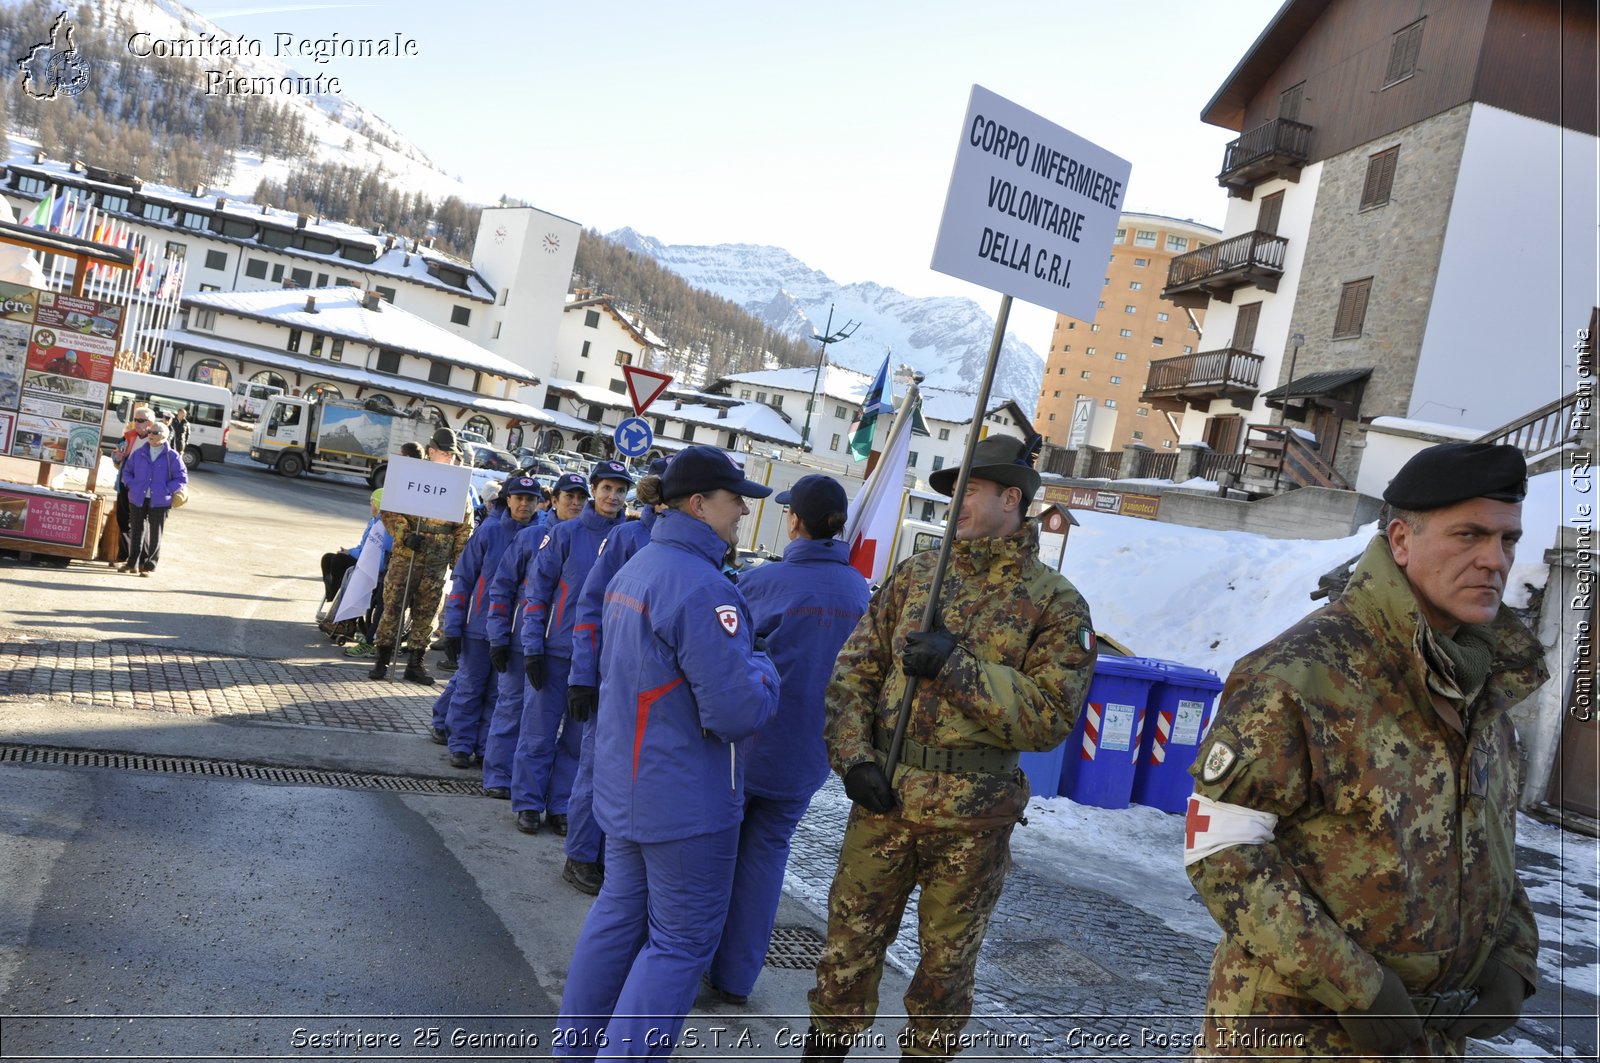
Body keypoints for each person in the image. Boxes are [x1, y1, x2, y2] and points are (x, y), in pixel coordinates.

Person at [1183, 442, 1548, 1059]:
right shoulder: (1303, 672)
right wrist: (1355, 986)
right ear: (1401, 540)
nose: (1495, 560)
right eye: (1469, 535)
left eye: (1508, 540)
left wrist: (1514, 952)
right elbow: (1221, 850)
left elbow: (1487, 842)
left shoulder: (1480, 685)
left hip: (1429, 1040)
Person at [804, 434, 1097, 1062]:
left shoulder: (1054, 602)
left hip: (973, 820)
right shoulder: (917, 577)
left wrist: (958, 669)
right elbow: (853, 671)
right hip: (884, 798)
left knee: (943, 977)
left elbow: (1050, 717)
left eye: (970, 491)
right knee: (845, 955)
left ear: (1011, 499)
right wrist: (854, 758)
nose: (954, 504)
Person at [554, 445, 779, 1062]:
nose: (742, 514)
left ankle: (573, 1052)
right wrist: (765, 669)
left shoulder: (643, 563)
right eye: (736, 502)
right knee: (680, 943)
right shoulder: (704, 588)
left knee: (618, 919)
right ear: (700, 505)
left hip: (629, 787)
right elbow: (735, 711)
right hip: (686, 801)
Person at [706, 473, 870, 1005]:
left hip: (748, 746)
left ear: (795, 520)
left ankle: (689, 963)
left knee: (714, 855)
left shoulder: (763, 582)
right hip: (810, 755)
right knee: (767, 858)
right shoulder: (859, 591)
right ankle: (736, 978)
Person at [562, 457, 669, 894]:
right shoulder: (627, 536)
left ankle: (613, 858)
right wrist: (582, 675)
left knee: (635, 777)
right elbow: (590, 608)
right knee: (595, 768)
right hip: (611, 679)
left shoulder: (689, 545)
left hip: (652, 688)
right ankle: (581, 855)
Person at [512, 459, 632, 835]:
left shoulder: (628, 538)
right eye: (607, 488)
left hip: (597, 660)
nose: (613, 497)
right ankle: (529, 802)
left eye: (620, 490)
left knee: (579, 742)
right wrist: (532, 647)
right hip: (555, 651)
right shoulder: (565, 534)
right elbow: (536, 594)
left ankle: (562, 804)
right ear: (595, 490)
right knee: (538, 731)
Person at [481, 472, 589, 798]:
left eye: (581, 497)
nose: (574, 502)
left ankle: (543, 792)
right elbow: (501, 588)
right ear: (553, 500)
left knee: (551, 727)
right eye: (568, 496)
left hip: (559, 647)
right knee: (512, 709)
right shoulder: (530, 537)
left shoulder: (590, 541)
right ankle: (499, 777)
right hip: (520, 642)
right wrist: (499, 636)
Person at [440, 475, 544, 770]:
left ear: (539, 502)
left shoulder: (541, 537)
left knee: (499, 695)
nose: (524, 504)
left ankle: (487, 745)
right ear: (507, 500)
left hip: (513, 634)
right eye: (519, 498)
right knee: (470, 688)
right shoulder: (489, 531)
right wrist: (453, 626)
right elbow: (463, 580)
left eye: (530, 499)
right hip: (478, 627)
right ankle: (460, 743)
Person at [369, 427, 474, 684]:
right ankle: (382, 659)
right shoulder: (409, 474)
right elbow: (390, 509)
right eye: (446, 453)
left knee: (426, 611)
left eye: (452, 455)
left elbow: (465, 525)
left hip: (437, 559)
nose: (450, 459)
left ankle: (415, 663)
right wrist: (404, 534)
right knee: (393, 605)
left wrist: (458, 561)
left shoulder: (457, 484)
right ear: (431, 451)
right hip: (408, 554)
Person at [119, 419, 188, 578]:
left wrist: (167, 490)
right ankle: (132, 563)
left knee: (155, 533)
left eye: (155, 432)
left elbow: (182, 478)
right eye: (150, 431)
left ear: (164, 436)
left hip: (160, 500)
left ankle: (150, 566)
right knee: (136, 530)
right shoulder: (139, 452)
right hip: (137, 497)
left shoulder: (173, 456)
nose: (150, 434)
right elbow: (127, 472)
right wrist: (131, 484)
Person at [113, 406, 154, 565]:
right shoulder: (128, 437)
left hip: (143, 489)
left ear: (150, 422)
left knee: (140, 524)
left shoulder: (156, 441)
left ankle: (143, 560)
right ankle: (124, 556)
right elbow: (116, 457)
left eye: (140, 420)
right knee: (123, 521)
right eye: (135, 419)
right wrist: (117, 457)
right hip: (125, 484)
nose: (136, 423)